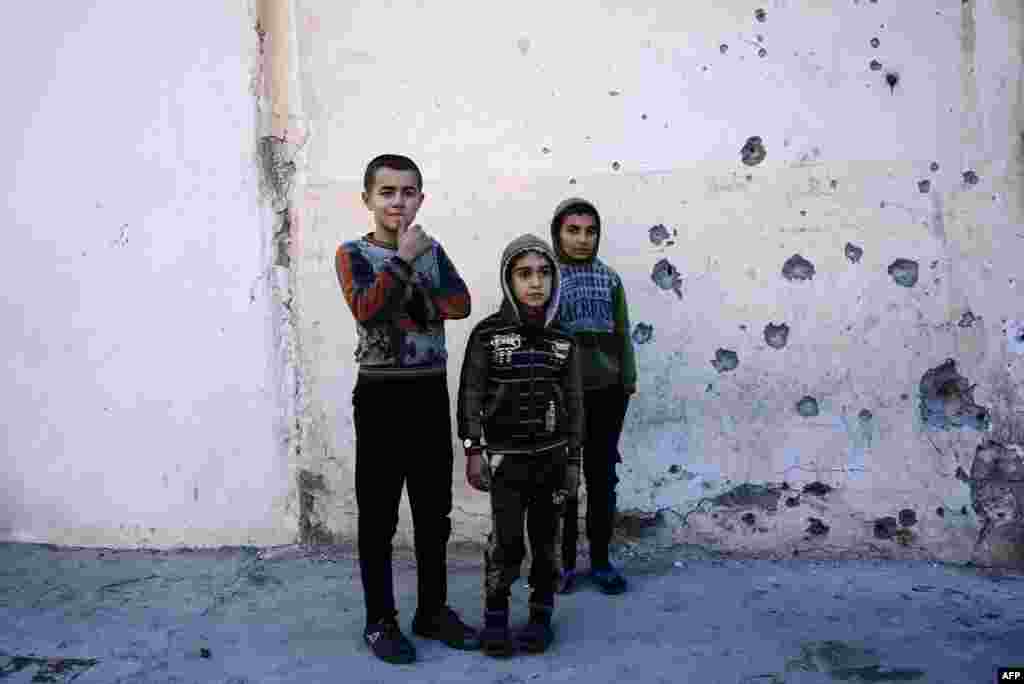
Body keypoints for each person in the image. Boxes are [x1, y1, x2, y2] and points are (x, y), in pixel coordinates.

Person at [335, 154, 479, 664]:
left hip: (426, 392)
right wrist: (402, 262)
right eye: (387, 192)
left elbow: (460, 304)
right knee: (377, 515)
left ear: (421, 197)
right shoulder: (352, 253)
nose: (398, 201)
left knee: (432, 511)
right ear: (368, 200)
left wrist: (415, 274)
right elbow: (366, 308)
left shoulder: (430, 250)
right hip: (380, 396)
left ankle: (432, 611)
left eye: (409, 192)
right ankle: (380, 620)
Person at [456, 234, 584, 657]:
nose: (535, 283)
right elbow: (471, 392)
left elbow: (575, 403)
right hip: (506, 462)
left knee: (546, 545)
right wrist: (474, 450)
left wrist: (573, 461)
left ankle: (540, 618)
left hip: (551, 461)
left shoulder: (564, 338)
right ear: (508, 279)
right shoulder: (488, 335)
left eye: (544, 273)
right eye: (524, 273)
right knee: (507, 544)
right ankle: (496, 620)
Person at [549, 197, 637, 596]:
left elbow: (622, 333)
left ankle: (600, 561)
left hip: (607, 393)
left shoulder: (610, 279)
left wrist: (627, 380)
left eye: (590, 231)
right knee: (563, 482)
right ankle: (562, 565)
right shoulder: (545, 276)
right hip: (561, 394)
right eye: (573, 230)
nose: (583, 239)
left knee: (602, 479)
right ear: (558, 233)